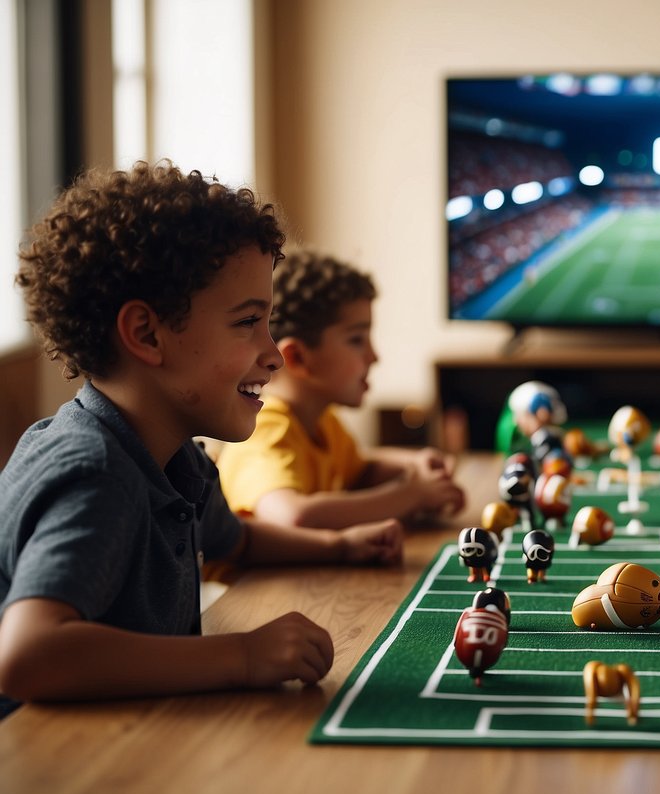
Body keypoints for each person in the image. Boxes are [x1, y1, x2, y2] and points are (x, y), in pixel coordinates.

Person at [0, 162, 405, 715]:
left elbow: (235, 540)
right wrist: (241, 655)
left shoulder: (172, 458)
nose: (274, 353)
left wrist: (339, 545)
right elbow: (29, 654)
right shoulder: (97, 471)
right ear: (146, 333)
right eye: (247, 323)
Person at [216, 251, 465, 529]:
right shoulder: (267, 429)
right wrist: (410, 495)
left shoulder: (322, 421)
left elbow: (361, 471)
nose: (374, 356)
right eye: (357, 339)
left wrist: (414, 463)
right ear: (298, 358)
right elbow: (292, 516)